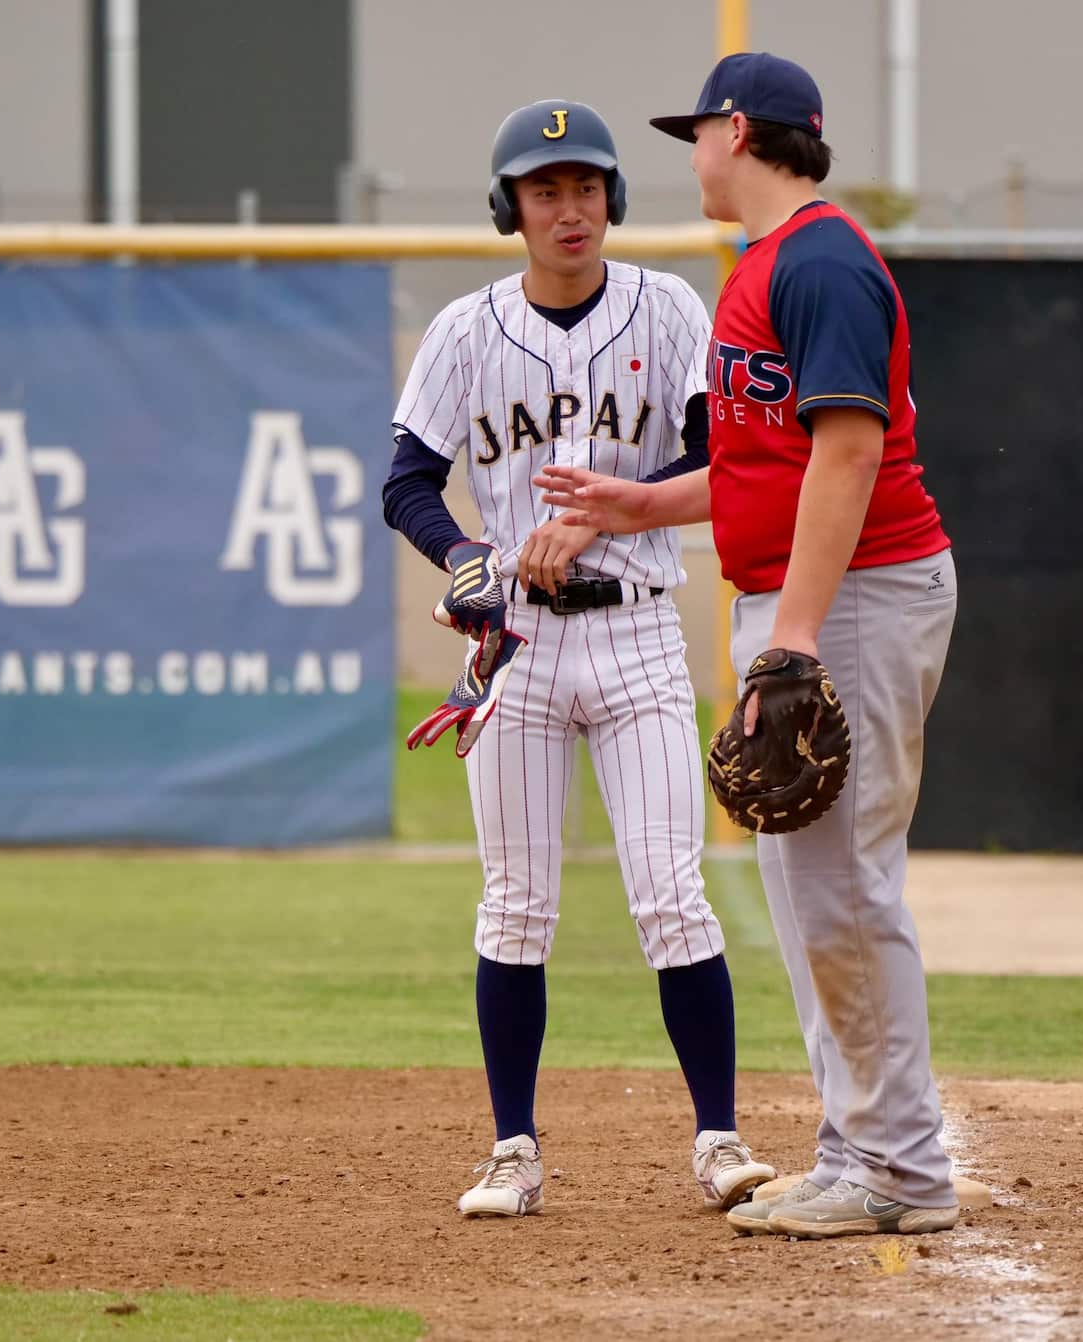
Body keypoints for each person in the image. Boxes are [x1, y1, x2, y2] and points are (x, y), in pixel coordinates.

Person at [536, 53, 960, 1239]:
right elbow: (765, 463)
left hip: (856, 596)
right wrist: (635, 507)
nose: (690, 155)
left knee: (841, 888)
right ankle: (857, 1144)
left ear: (737, 130)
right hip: (816, 597)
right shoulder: (771, 262)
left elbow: (847, 452)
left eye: (696, 133)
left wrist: (794, 639)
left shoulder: (818, 257)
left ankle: (900, 1171)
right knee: (807, 884)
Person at [383, 98, 774, 1219]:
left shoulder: (667, 304)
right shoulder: (465, 331)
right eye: (544, 189)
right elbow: (404, 481)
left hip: (641, 630)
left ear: (613, 198)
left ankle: (717, 1138)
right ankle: (512, 1148)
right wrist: (460, 556)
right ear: (507, 207)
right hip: (520, 642)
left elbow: (720, 459)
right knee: (514, 904)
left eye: (586, 186)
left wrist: (607, 515)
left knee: (671, 894)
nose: (569, 208)